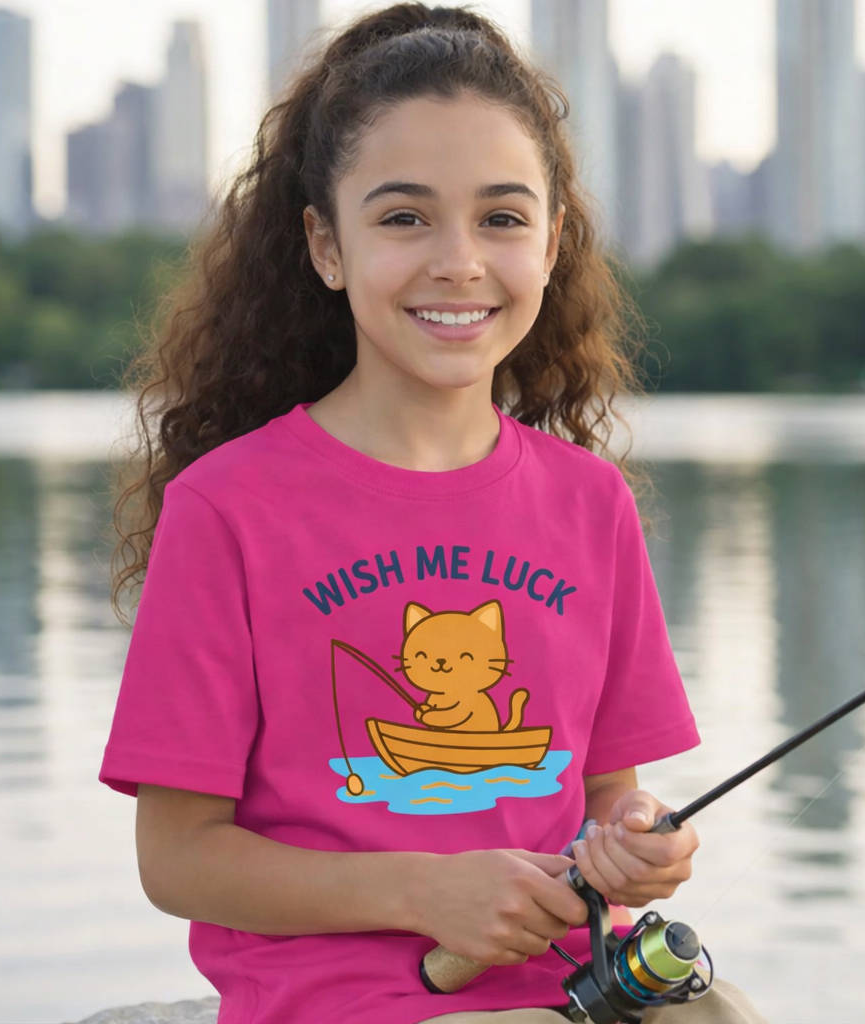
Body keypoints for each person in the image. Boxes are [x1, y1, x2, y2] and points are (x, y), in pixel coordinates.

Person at [99, 5, 770, 1023]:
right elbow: (178, 858)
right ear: (326, 245)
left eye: (501, 218)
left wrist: (638, 842)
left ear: (551, 243)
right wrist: (425, 891)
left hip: (580, 983)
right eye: (404, 218)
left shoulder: (591, 502)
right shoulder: (227, 508)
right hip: (346, 1003)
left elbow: (607, 795)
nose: (458, 261)